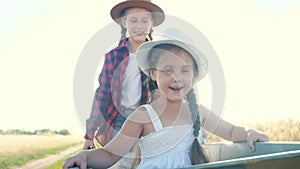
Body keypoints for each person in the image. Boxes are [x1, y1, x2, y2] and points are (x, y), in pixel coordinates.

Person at [63, 37, 269, 169]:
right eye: (167, 70)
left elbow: (232, 132)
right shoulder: (143, 116)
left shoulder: (199, 113)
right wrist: (85, 156)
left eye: (185, 70)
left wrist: (249, 132)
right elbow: (110, 153)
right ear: (153, 73)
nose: (176, 77)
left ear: (194, 76)